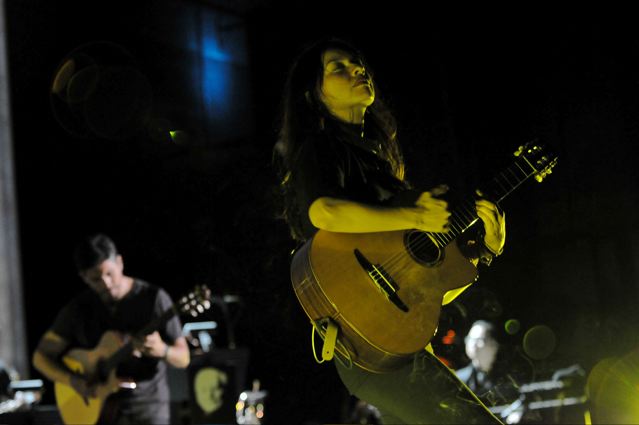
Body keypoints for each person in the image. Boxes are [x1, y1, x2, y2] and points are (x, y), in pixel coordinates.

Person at [273, 37, 507, 424]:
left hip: (402, 343)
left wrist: (486, 251)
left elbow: (431, 293)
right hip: (366, 347)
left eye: (358, 64)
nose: (357, 70)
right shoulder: (319, 148)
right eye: (339, 68)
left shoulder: (382, 167)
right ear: (313, 95)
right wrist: (414, 218)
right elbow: (325, 211)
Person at [32, 233, 190, 424]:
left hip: (149, 407)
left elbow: (183, 358)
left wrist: (162, 350)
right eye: (96, 279)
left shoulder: (153, 298)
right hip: (99, 410)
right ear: (84, 278)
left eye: (109, 273)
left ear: (120, 262)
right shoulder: (78, 309)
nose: (106, 283)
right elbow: (40, 357)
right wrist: (72, 381)